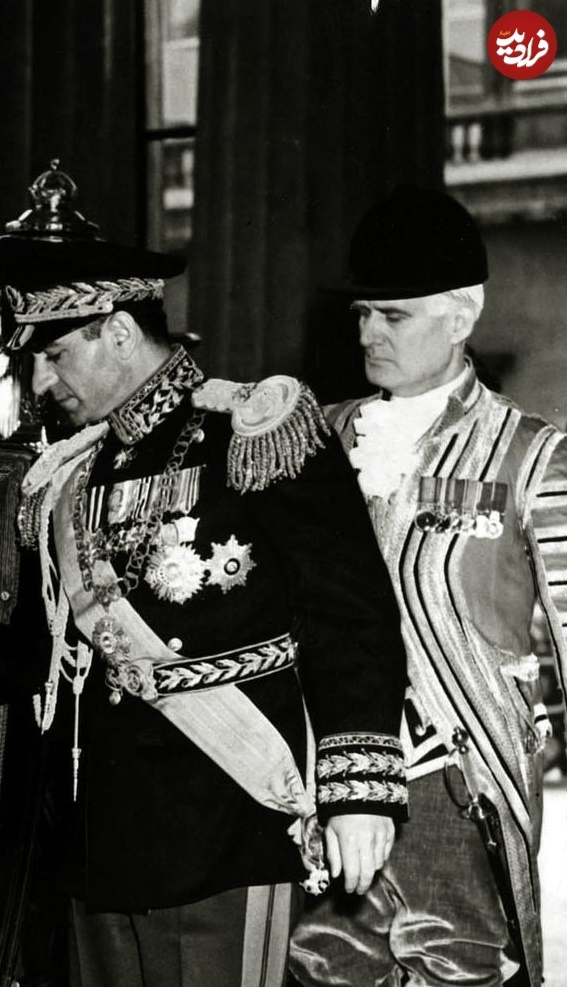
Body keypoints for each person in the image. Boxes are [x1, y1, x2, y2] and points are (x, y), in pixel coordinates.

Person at [0, 233, 410, 987]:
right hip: (96, 844)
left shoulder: (251, 433)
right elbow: (37, 648)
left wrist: (359, 795)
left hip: (224, 832)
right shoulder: (75, 473)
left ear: (118, 332)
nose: (39, 380)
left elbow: (350, 617)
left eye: (54, 354)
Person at [289, 185, 566, 987]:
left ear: (460, 315)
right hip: (324, 777)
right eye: (362, 314)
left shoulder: (531, 456)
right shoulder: (311, 439)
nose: (367, 333)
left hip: (458, 782)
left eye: (393, 315)